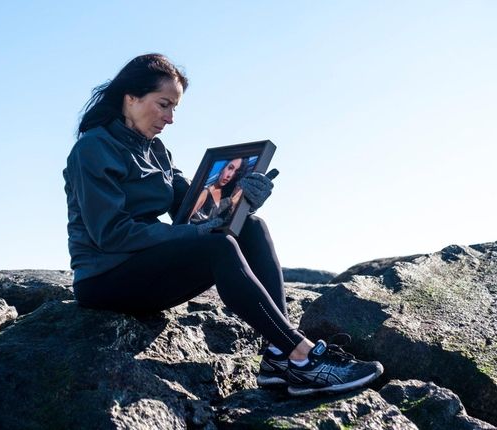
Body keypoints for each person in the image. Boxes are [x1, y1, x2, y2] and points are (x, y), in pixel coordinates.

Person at [62, 53, 383, 396]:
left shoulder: (156, 151)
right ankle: (301, 355)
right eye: (164, 105)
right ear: (131, 97)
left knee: (252, 226)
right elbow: (110, 233)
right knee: (218, 245)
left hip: (145, 268)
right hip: (105, 277)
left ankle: (279, 355)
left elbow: (193, 210)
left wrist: (241, 200)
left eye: (175, 109)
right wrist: (195, 232)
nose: (170, 118)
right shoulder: (92, 148)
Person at [189, 158, 246, 224]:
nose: (230, 175)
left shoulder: (229, 198)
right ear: (223, 168)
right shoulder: (205, 193)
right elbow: (184, 221)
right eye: (230, 168)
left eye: (236, 172)